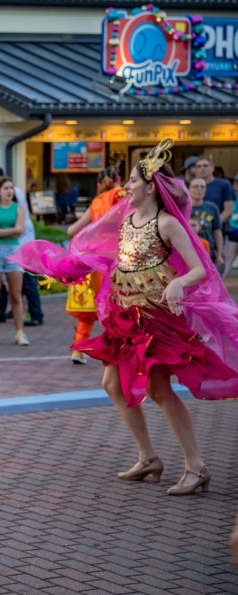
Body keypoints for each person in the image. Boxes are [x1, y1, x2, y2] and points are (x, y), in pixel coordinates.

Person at [16, 139, 238, 496]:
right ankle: (148, 456)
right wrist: (73, 269)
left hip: (156, 318)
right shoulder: (128, 218)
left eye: (133, 181)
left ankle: (196, 466)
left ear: (151, 186)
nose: (126, 187)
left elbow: (200, 268)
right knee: (112, 384)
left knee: (159, 389)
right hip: (125, 315)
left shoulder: (167, 224)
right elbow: (108, 255)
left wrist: (179, 283)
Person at [64, 168, 127, 364]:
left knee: (93, 308)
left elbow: (71, 230)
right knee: (116, 306)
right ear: (119, 180)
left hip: (94, 258)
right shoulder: (120, 195)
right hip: (117, 257)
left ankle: (78, 350)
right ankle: (116, 349)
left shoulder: (96, 202)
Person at [0, 165, 43, 326]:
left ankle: (36, 313)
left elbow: (17, 228)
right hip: (4, 246)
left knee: (27, 279)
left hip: (22, 243)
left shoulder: (14, 193)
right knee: (0, 280)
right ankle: (2, 311)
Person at [0, 178, 28, 346]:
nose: (9, 191)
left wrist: (3, 232)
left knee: (16, 295)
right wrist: (12, 230)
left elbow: (19, 232)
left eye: (11, 188)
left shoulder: (20, 209)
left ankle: (20, 332)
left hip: (13, 252)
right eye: (6, 188)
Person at [189, 178, 224, 273]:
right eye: (195, 187)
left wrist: (219, 254)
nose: (199, 189)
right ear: (188, 189)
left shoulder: (212, 208)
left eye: (202, 187)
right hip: (188, 251)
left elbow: (217, 231)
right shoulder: (183, 208)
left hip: (208, 251)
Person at [190, 154, 234, 224]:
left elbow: (228, 210)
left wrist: (212, 225)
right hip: (194, 229)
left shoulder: (224, 184)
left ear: (212, 168)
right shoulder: (190, 185)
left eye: (205, 165)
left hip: (218, 229)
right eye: (199, 166)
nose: (202, 168)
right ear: (195, 170)